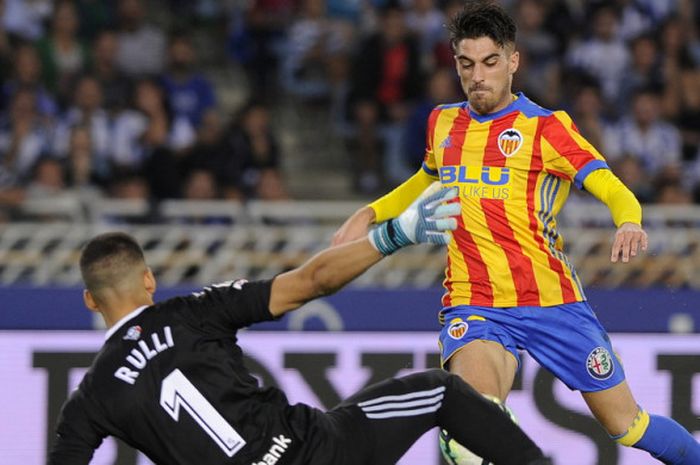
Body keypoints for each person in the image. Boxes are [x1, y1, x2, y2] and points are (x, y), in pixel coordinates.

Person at [332, 2, 700, 464]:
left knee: (628, 426)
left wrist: (628, 218)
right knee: (473, 425)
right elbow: (426, 179)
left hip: (552, 301)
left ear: (513, 61)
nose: (477, 76)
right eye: (466, 64)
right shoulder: (442, 123)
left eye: (489, 62)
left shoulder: (546, 129)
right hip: (476, 301)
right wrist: (370, 212)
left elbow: (610, 185)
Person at [49, 185, 551, 465]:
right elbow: (312, 281)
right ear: (150, 279)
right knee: (442, 392)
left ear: (91, 301)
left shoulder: (92, 398)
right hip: (312, 454)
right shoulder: (195, 312)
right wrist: (395, 233)